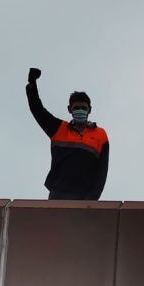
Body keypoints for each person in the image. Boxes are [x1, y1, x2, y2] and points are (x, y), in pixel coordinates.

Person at [25, 68, 109, 200]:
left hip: (85, 197)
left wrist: (92, 201)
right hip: (58, 194)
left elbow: (102, 172)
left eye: (83, 108)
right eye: (76, 108)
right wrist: (32, 84)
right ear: (69, 109)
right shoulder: (59, 128)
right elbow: (37, 110)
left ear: (89, 110)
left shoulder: (100, 135)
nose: (80, 111)